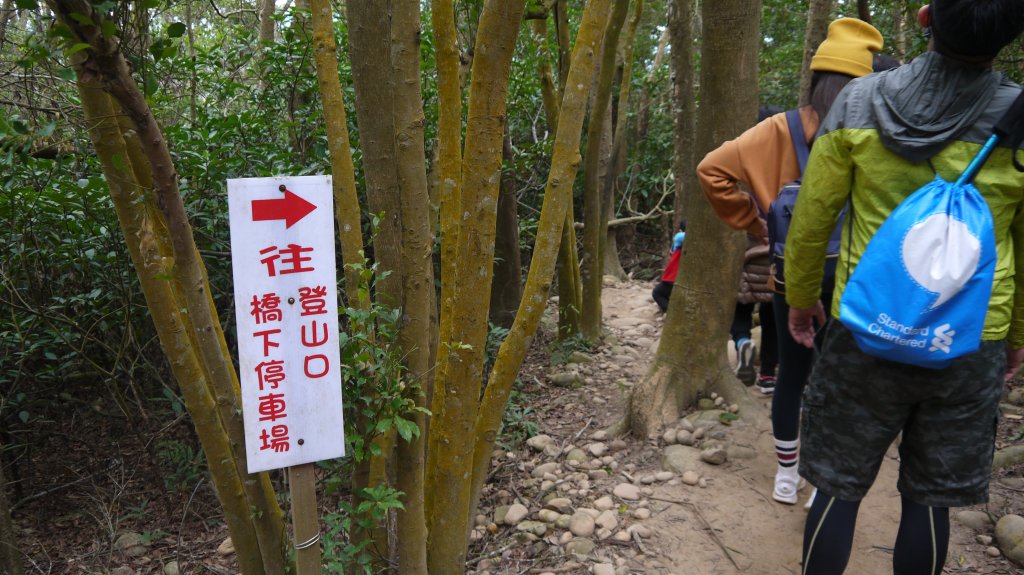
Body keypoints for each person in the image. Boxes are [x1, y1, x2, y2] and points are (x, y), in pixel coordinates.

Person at [784, 2, 1024, 573]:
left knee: (838, 489)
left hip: (866, 328)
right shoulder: (1019, 117)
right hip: (969, 339)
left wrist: (800, 299)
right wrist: (1016, 334)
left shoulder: (859, 100)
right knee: (930, 499)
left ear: (924, 19)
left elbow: (814, 217)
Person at [696, 17, 883, 506]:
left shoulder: (775, 131)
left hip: (788, 278)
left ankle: (786, 474)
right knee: (837, 377)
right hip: (852, 281)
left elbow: (710, 170)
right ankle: (827, 480)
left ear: (816, 77)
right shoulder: (874, 130)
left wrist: (757, 223)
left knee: (792, 376)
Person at [731, 106, 783, 393]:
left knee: (740, 303)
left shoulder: (742, 158)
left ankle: (742, 342)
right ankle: (767, 375)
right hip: (777, 249)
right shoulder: (795, 162)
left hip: (747, 246)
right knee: (771, 312)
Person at [651, 220, 686, 312]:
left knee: (657, 293)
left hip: (673, 278)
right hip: (678, 277)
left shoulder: (680, 237)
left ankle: (671, 312)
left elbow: (680, 237)